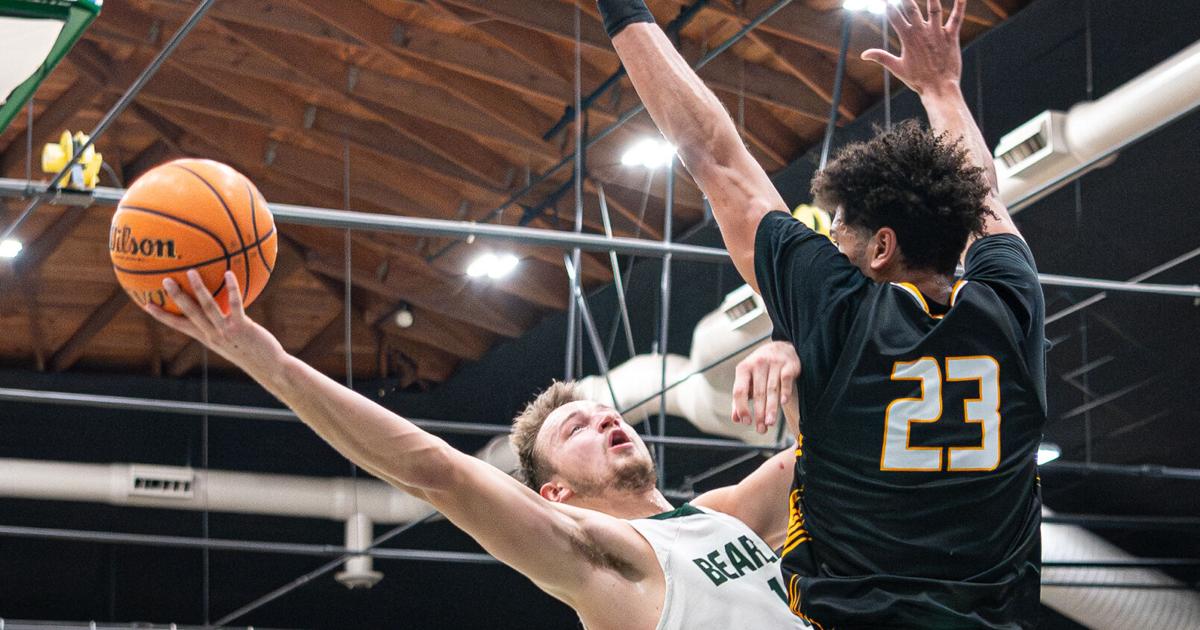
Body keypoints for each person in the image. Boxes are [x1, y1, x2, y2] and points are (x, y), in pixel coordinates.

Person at [597, 0, 1046, 627]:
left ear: (882, 248)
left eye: (839, 235)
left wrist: (623, 13)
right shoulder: (1011, 304)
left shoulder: (838, 310)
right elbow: (984, 193)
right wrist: (942, 89)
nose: (832, 248)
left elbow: (714, 157)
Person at [145, 270, 811, 630]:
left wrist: (789, 349)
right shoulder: (594, 561)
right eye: (574, 429)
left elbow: (824, 449)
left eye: (606, 413)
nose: (605, 422)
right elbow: (433, 472)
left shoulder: (719, 516)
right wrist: (276, 366)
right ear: (554, 493)